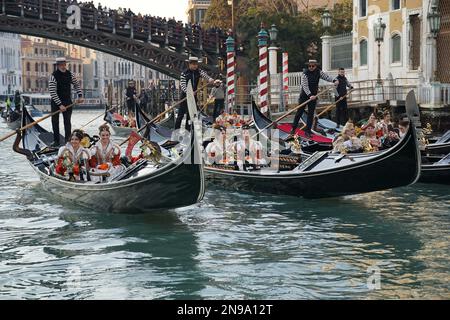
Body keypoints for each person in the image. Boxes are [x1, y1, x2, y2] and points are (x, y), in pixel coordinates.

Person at [289, 60, 338, 139]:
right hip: (304, 96)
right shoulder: (305, 74)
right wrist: (310, 95)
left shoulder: (319, 72)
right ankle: (293, 129)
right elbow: (305, 86)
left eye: (313, 66)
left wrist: (334, 80)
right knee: (299, 112)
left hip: (314, 96)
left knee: (311, 114)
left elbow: (327, 77)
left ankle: (308, 131)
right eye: (309, 66)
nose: (311, 67)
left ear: (315, 66)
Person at [49, 57, 83, 147]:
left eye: (64, 64)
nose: (63, 66)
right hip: (56, 102)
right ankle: (56, 141)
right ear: (57, 65)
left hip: (67, 101)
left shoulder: (70, 74)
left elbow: (76, 84)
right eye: (61, 64)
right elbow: (52, 92)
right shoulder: (53, 76)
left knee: (67, 122)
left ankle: (68, 141)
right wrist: (60, 104)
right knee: (55, 121)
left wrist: (80, 96)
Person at [175, 56, 214, 130]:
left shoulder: (199, 71)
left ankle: (188, 130)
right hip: (185, 96)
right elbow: (182, 85)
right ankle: (176, 130)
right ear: (189, 64)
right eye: (193, 64)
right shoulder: (184, 73)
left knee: (191, 114)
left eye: (196, 64)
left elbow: (205, 75)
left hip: (193, 96)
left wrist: (210, 79)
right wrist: (188, 92)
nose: (195, 66)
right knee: (181, 114)